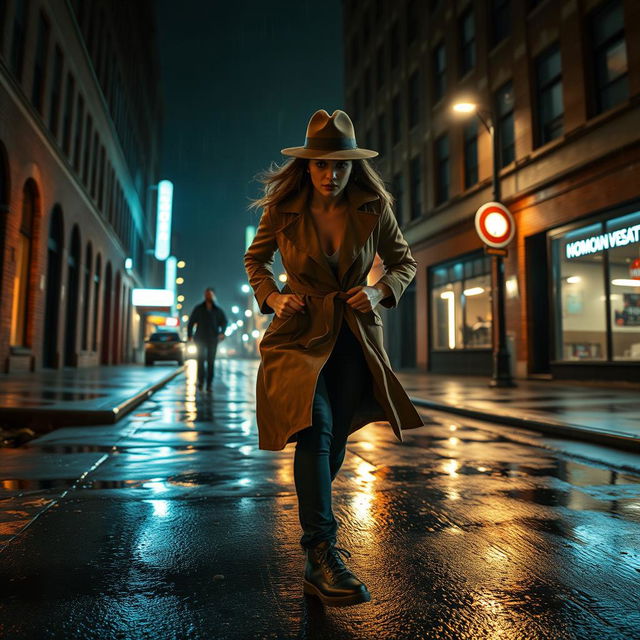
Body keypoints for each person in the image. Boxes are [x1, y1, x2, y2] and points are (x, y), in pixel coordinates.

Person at [244, 109, 424, 607]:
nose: (329, 175)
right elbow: (255, 259)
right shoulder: (283, 208)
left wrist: (382, 289)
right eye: (320, 165)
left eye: (339, 166)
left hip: (353, 335)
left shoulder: (373, 207)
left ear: (352, 167)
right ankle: (322, 552)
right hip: (298, 334)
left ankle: (316, 543)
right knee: (315, 428)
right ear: (306, 166)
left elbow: (404, 260)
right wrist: (273, 297)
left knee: (335, 435)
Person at [187, 287, 227, 391]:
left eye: (210, 294)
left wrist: (222, 332)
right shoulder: (199, 308)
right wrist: (189, 335)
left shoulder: (218, 310)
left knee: (211, 361)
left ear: (213, 295)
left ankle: (209, 384)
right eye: (207, 294)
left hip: (213, 339)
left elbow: (224, 322)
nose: (208, 296)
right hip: (200, 338)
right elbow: (191, 322)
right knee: (200, 360)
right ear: (204, 295)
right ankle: (201, 381)